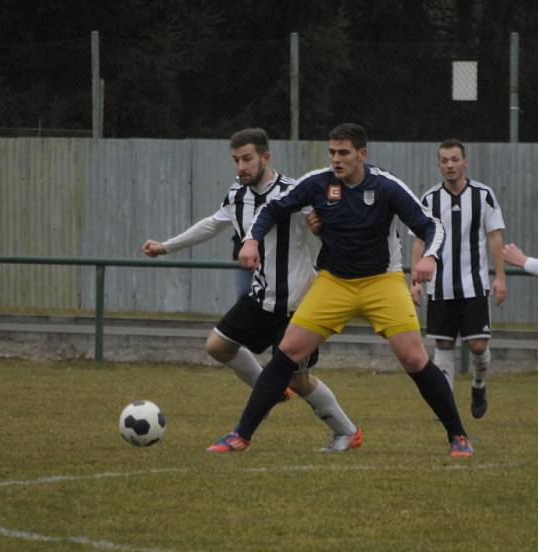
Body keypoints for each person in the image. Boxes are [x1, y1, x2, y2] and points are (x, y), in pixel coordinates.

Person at [214, 122, 473, 457]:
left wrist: (430, 257)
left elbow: (431, 225)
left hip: (382, 281)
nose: (336, 159)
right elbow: (273, 208)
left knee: (413, 357)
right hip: (334, 282)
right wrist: (251, 240)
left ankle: (459, 437)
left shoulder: (386, 186)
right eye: (332, 152)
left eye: (344, 153)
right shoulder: (317, 183)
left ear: (362, 154)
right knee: (289, 351)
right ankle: (241, 436)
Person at [142, 127, 361, 453]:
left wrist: (320, 227)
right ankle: (269, 387)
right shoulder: (236, 195)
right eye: (236, 160)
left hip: (297, 305)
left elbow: (323, 224)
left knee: (299, 380)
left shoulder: (293, 191)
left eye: (247, 159)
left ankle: (347, 432)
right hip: (261, 298)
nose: (241, 166)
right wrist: (165, 246)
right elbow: (211, 224)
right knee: (217, 346)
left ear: (265, 157)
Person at [410, 139, 506, 420]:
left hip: (474, 284)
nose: (450, 165)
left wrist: (500, 278)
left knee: (478, 345)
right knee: (443, 347)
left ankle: (478, 384)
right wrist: (415, 281)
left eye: (455, 159)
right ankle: (448, 410)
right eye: (444, 160)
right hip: (440, 287)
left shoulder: (483, 195)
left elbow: (495, 238)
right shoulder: (429, 199)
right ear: (438, 164)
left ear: (465, 162)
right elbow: (419, 241)